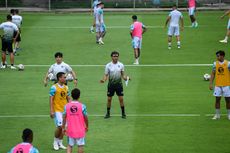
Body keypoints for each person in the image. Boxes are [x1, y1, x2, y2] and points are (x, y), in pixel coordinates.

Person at [100, 51, 130, 119]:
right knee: (109, 99)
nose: (115, 57)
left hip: (119, 85)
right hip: (111, 85)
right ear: (111, 57)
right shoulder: (108, 65)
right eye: (114, 56)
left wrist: (126, 78)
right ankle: (108, 113)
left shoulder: (121, 65)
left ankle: (123, 113)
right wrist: (103, 80)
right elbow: (106, 75)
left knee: (121, 99)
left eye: (117, 56)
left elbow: (123, 75)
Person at [62, 88, 88, 153]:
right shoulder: (82, 106)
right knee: (80, 145)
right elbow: (86, 118)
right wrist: (87, 126)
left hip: (70, 130)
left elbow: (64, 118)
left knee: (69, 145)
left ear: (71, 95)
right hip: (80, 130)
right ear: (79, 96)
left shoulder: (66, 106)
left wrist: (63, 128)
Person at [50, 72, 70, 150]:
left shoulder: (66, 87)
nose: (65, 78)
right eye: (64, 77)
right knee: (59, 127)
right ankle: (55, 142)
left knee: (64, 127)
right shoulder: (54, 87)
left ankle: (60, 143)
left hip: (65, 111)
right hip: (57, 110)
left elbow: (68, 98)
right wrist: (51, 110)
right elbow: (51, 99)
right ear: (59, 78)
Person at [209, 50, 230, 120]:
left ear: (222, 56)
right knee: (217, 100)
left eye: (218, 56)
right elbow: (213, 73)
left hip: (227, 85)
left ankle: (229, 115)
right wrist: (211, 83)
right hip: (218, 85)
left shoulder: (228, 64)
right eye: (217, 56)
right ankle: (217, 115)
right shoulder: (215, 64)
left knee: (228, 100)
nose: (217, 57)